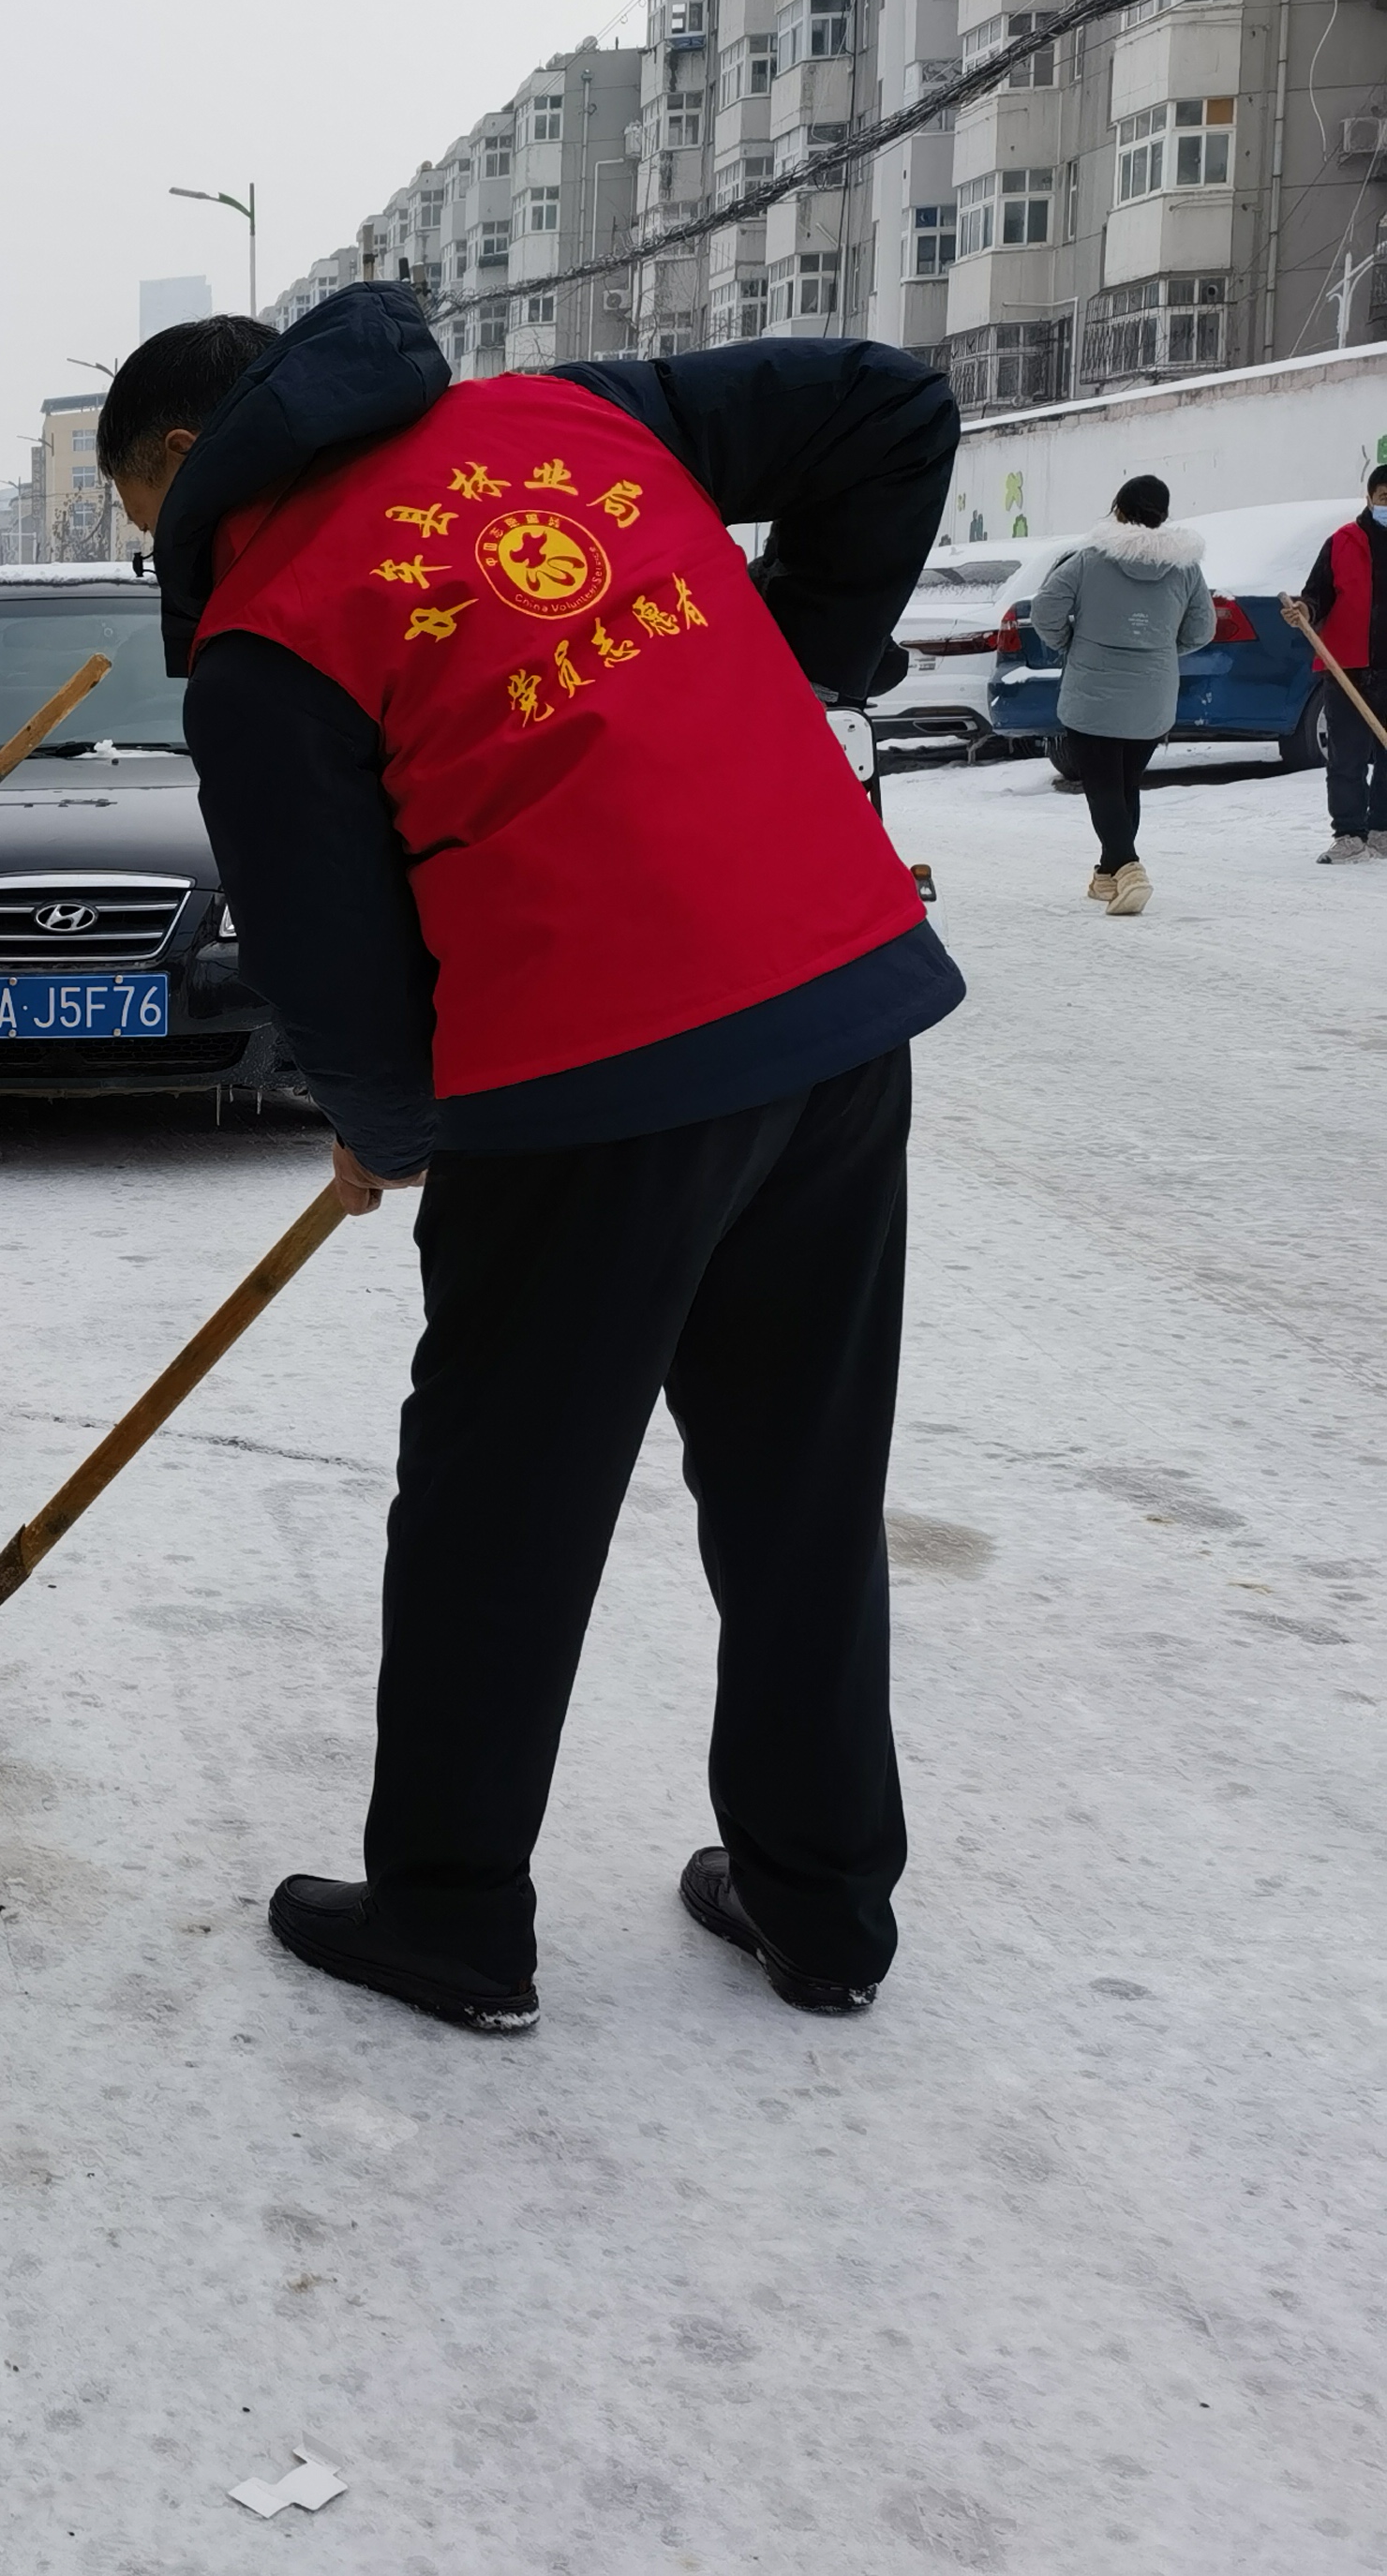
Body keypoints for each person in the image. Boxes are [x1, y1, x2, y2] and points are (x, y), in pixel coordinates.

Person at [107, 286, 963, 2034]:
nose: (161, 560)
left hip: (586, 1071)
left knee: (502, 1504)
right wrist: (796, 668)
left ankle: (449, 1913)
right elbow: (887, 411)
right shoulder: (573, 415)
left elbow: (329, 957)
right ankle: (824, 1903)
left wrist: (393, 1124)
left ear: (189, 457)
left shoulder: (271, 628)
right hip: (827, 1006)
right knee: (800, 1477)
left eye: (146, 520)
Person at [1030, 476, 1213, 915]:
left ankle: (1130, 869)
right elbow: (1202, 629)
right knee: (1126, 784)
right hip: (1151, 695)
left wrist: (1069, 643)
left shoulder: (1091, 559)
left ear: (1119, 509)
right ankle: (1108, 875)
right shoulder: (1186, 568)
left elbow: (1045, 611)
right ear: (1163, 514)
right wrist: (1162, 650)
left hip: (1093, 690)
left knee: (1103, 786)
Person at [1279, 462, 1387, 861]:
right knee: (1347, 755)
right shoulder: (1343, 542)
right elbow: (1316, 594)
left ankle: (1382, 830)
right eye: (1385, 498)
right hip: (1348, 669)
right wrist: (1304, 610)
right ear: (1370, 498)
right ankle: (1349, 834)